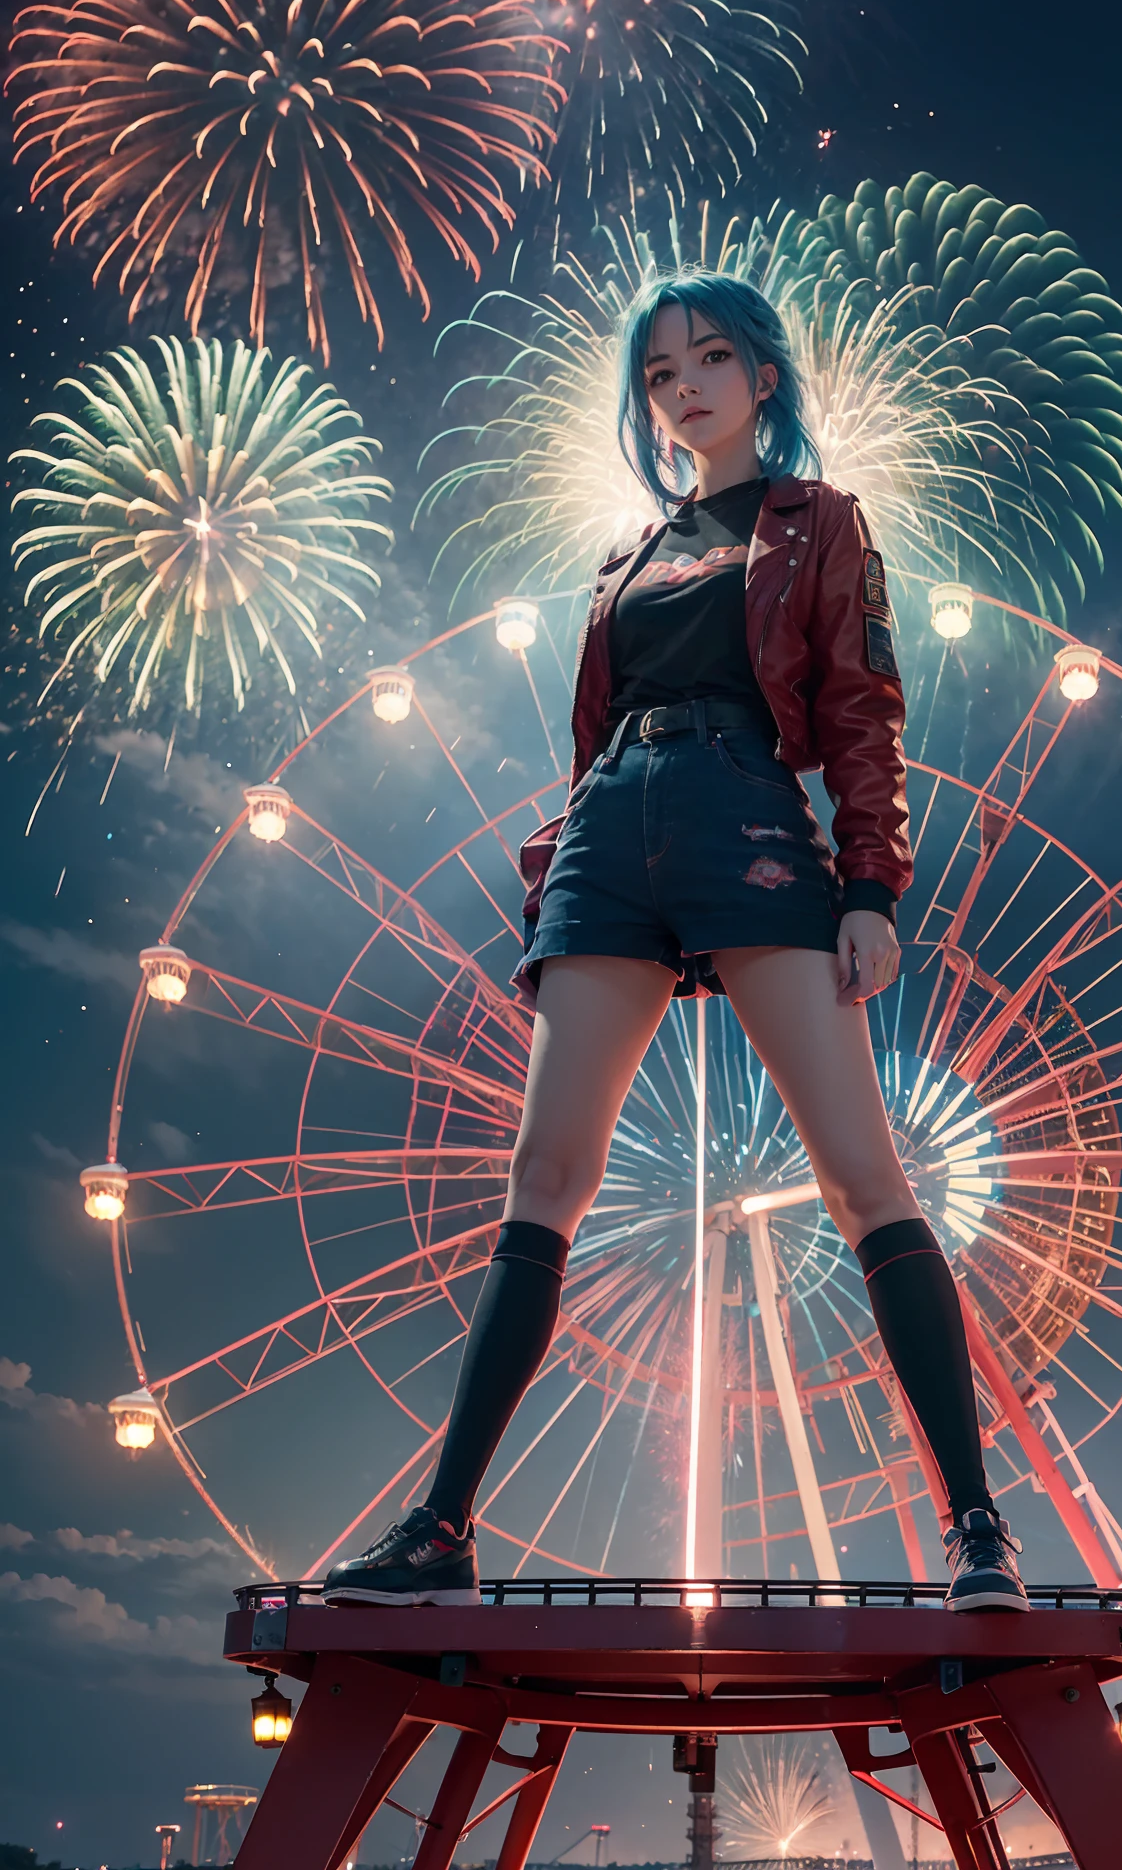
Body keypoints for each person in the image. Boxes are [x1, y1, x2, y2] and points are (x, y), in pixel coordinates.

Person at [323, 272, 1030, 1612]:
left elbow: (863, 711)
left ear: (765, 376)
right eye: (660, 372)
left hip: (745, 817)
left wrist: (871, 882)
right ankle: (442, 1530)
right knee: (546, 1172)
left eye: (711, 358)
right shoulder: (622, 559)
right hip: (608, 833)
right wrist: (568, 864)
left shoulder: (823, 524)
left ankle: (978, 1528)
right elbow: (592, 737)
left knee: (863, 1175)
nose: (685, 385)